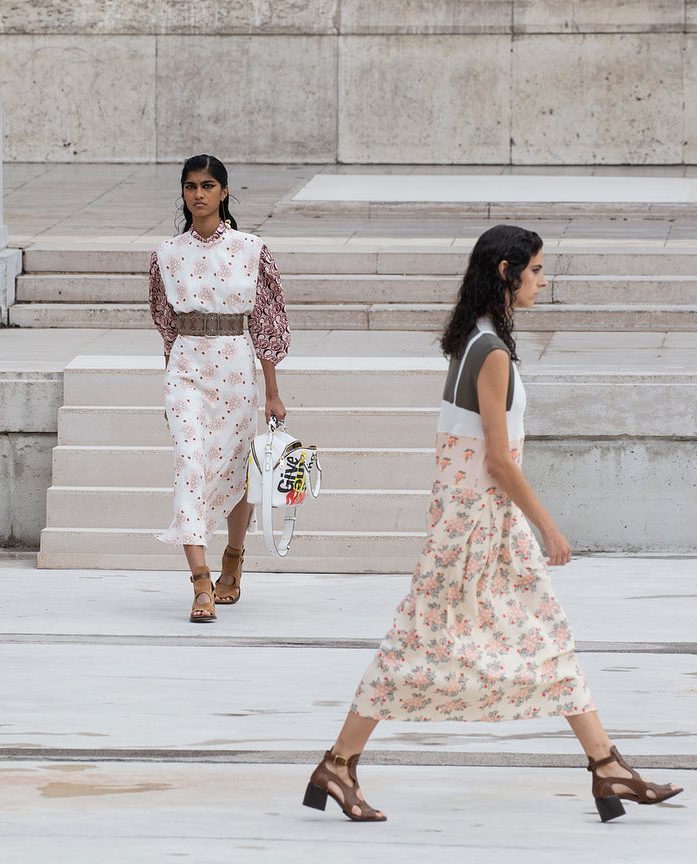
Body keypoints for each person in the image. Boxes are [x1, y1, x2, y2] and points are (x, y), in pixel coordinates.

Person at [302, 225, 682, 823]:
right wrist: (549, 528)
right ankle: (340, 761)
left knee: (539, 635)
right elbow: (498, 460)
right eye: (536, 271)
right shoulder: (492, 353)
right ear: (508, 272)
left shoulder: (472, 339)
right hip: (478, 521)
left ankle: (606, 766)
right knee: (421, 643)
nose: (544, 280)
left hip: (472, 516)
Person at [149, 154, 291, 623]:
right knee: (190, 466)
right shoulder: (167, 255)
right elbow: (165, 325)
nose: (199, 194)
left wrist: (272, 391)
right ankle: (201, 584)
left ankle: (233, 559)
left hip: (236, 367)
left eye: (208, 185)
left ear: (224, 192)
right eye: (191, 186)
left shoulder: (252, 249)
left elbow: (268, 323)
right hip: (186, 368)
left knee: (234, 473)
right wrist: (171, 378)